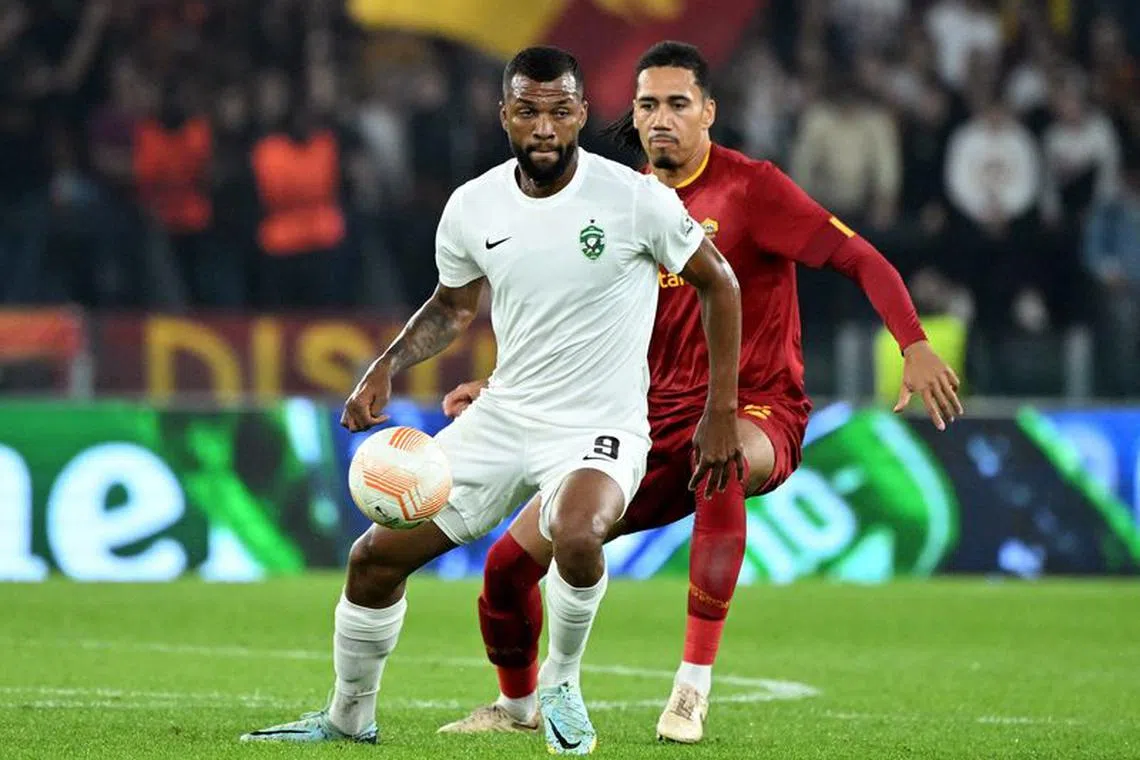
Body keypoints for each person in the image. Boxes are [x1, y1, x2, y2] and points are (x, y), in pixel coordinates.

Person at [438, 41, 963, 745]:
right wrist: (502, 389)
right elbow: (578, 325)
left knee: (720, 463)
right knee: (506, 569)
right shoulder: (617, 203)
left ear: (708, 112)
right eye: (648, 104)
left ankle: (691, 688)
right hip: (639, 426)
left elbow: (856, 256)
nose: (661, 119)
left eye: (678, 103)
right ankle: (519, 705)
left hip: (753, 407)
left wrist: (915, 342)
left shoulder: (752, 189)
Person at [240, 45, 744, 756]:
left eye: (560, 112)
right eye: (529, 111)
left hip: (600, 426)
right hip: (504, 417)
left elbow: (721, 283)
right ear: (504, 113)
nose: (544, 128)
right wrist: (383, 367)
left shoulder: (634, 199)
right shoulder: (473, 205)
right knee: (372, 561)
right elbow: (452, 307)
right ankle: (348, 717)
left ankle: (561, 685)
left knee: (575, 531)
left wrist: (718, 411)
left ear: (581, 115)